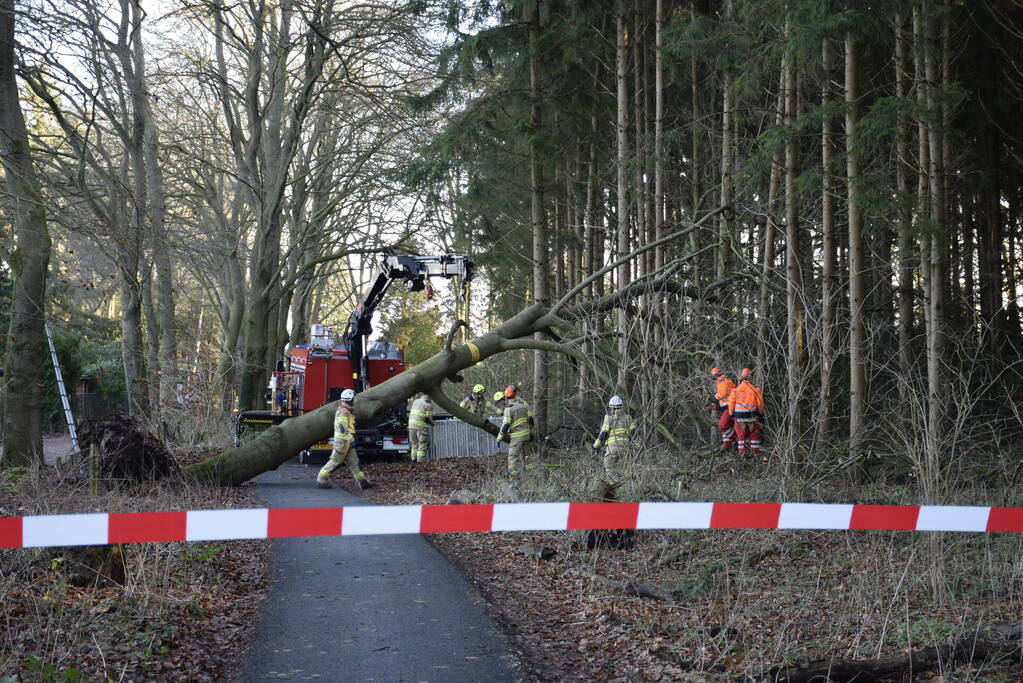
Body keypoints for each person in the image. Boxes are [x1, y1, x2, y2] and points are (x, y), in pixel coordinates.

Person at [317, 389, 374, 490]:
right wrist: (351, 440)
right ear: (350, 400)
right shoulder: (343, 411)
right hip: (343, 442)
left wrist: (350, 440)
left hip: (347, 442)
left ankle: (362, 482)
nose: (354, 400)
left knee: (354, 462)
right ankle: (321, 479)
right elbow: (342, 428)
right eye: (353, 399)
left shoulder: (347, 411)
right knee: (335, 461)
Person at [592, 394, 636, 482]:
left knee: (609, 469)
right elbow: (634, 434)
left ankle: (613, 485)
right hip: (626, 448)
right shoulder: (629, 418)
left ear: (611, 407)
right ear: (622, 406)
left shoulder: (608, 418)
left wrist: (596, 446)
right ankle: (626, 486)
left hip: (612, 449)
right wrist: (637, 446)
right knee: (626, 471)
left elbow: (603, 433)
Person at [728, 367, 765, 461]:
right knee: (754, 434)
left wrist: (731, 414)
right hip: (752, 417)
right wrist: (761, 414)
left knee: (741, 436)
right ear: (750, 378)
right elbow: (760, 405)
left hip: (739, 418)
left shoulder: (735, 390)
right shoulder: (756, 390)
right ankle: (756, 453)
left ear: (741, 378)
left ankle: (742, 454)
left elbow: (731, 404)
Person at [497, 385, 534, 476]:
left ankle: (513, 474)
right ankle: (530, 473)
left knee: (512, 455)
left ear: (506, 397)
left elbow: (506, 425)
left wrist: (499, 438)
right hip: (526, 435)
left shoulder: (508, 409)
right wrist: (531, 433)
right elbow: (531, 420)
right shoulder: (524, 406)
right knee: (525, 455)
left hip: (517, 437)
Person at [709, 367, 736, 452]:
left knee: (722, 426)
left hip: (730, 407)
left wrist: (714, 397)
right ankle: (727, 445)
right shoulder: (725, 381)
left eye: (714, 378)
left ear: (716, 376)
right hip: (728, 407)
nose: (714, 380)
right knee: (726, 427)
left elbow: (723, 393)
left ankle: (734, 439)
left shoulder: (723, 382)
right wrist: (716, 405)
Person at [408, 392, 435, 462]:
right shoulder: (428, 404)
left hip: (411, 426)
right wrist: (433, 423)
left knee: (414, 444)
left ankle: (413, 460)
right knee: (422, 444)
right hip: (421, 427)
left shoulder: (415, 401)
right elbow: (427, 419)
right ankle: (420, 462)